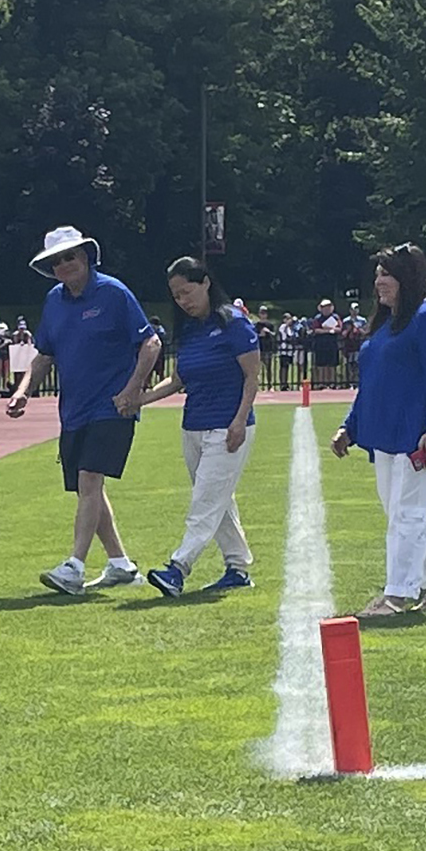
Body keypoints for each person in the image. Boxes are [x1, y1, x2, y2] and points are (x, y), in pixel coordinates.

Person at [5, 225, 160, 595]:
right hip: (73, 410)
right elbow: (44, 355)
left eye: (69, 256)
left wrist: (131, 389)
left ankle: (74, 566)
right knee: (87, 488)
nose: (64, 264)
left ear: (86, 256)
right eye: (56, 260)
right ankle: (120, 564)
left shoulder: (114, 293)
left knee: (90, 479)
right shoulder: (54, 302)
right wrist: (23, 391)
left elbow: (150, 343)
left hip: (111, 407)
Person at [329, 244, 426, 619]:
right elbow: (371, 382)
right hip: (385, 434)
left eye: (386, 274)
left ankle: (398, 596)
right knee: (404, 513)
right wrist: (349, 426)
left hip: (416, 435)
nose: (379, 282)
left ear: (407, 277)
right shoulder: (386, 323)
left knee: (409, 515)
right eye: (377, 275)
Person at [136, 256, 259, 597]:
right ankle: (237, 567)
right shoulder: (189, 330)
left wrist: (238, 421)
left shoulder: (235, 323)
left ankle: (178, 567)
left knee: (205, 500)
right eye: (176, 296)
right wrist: (140, 399)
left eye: (187, 292)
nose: (183, 301)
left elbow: (252, 377)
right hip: (194, 425)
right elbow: (178, 379)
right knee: (217, 499)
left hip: (228, 426)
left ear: (205, 282)